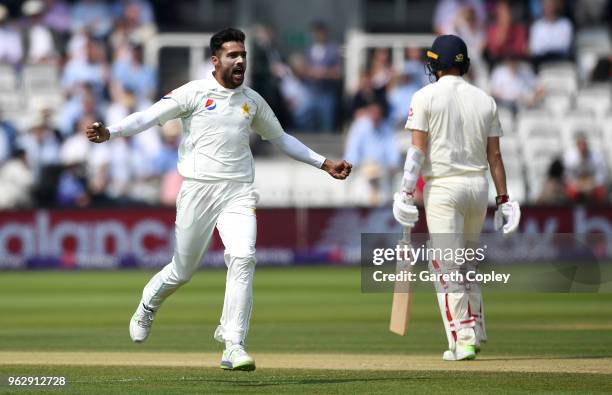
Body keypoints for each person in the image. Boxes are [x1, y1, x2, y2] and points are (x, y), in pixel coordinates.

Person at [86, 28, 352, 371]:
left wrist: (324, 162)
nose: (240, 60)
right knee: (183, 271)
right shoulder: (194, 93)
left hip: (238, 191)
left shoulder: (252, 100)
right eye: (232, 55)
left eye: (243, 55)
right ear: (216, 61)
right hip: (197, 189)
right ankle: (147, 306)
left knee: (243, 258)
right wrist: (111, 132)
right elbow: (148, 117)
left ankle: (233, 344)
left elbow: (281, 139)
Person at [392, 35, 521, 361]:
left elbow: (417, 151)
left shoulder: (425, 96)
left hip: (444, 189)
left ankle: (462, 338)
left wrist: (406, 193)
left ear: (436, 63)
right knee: (466, 262)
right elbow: (495, 157)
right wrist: (504, 199)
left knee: (445, 265)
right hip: (478, 188)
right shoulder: (485, 99)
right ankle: (475, 329)